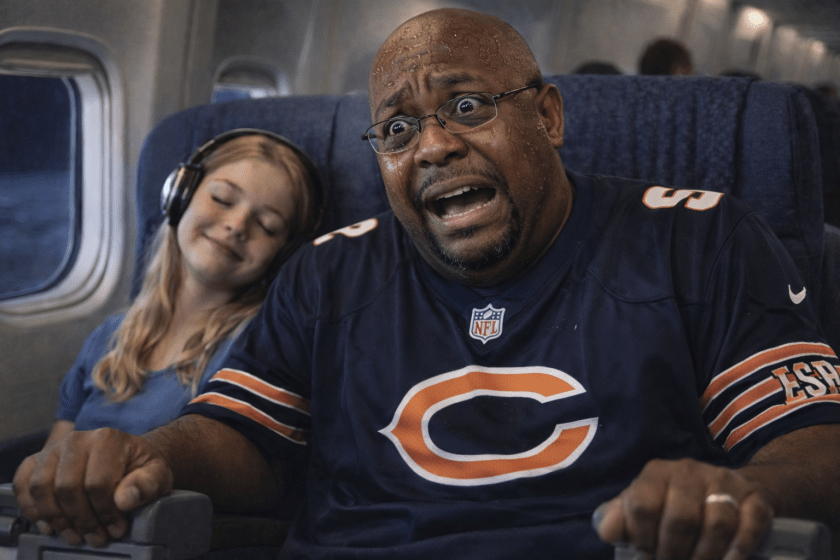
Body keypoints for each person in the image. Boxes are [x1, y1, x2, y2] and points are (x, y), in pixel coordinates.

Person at [13, 9, 840, 560]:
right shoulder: (332, 270)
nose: (434, 146)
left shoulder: (697, 237)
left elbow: (816, 446)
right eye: (399, 130)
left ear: (547, 117)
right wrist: (145, 455)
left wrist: (736, 490)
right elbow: (242, 440)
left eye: (469, 106)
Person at [36, 128, 323, 470]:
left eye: (267, 225)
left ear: (283, 256)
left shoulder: (258, 351)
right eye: (222, 199)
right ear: (180, 196)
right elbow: (50, 462)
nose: (236, 225)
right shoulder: (108, 335)